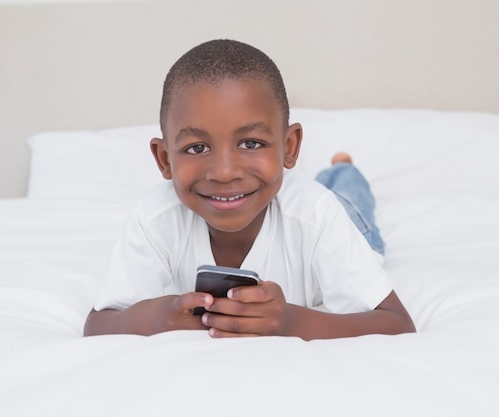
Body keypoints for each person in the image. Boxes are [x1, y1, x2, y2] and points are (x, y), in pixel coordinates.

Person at [84, 39, 415, 340]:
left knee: (350, 203)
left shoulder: (318, 215)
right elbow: (99, 324)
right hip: (297, 198)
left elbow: (397, 323)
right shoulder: (155, 218)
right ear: (164, 158)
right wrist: (157, 317)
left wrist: (291, 322)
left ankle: (344, 167)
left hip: (338, 217)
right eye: (197, 148)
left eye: (251, 142)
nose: (225, 173)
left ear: (289, 147)